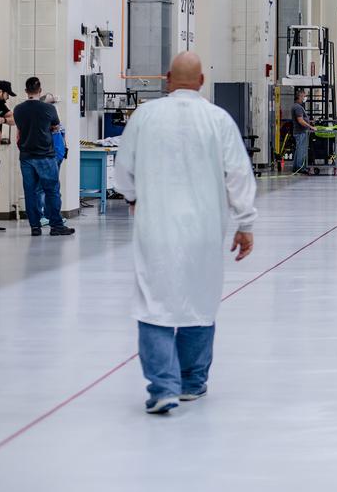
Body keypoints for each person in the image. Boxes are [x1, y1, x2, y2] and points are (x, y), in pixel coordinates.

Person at [114, 52, 257, 415]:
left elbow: (123, 167)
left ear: (167, 78)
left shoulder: (145, 116)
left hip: (155, 226)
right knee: (200, 301)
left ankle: (163, 387)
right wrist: (245, 224)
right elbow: (238, 174)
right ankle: (192, 382)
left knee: (154, 302)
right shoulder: (218, 119)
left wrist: (133, 198)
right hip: (204, 229)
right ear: (201, 82)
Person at [12, 77, 72, 237]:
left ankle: (35, 227)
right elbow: (55, 127)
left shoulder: (18, 109)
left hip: (26, 157)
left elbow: (20, 129)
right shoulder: (49, 108)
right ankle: (56, 226)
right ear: (40, 90)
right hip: (45, 155)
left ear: (26, 91)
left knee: (30, 192)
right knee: (52, 191)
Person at [0, 80, 14, 232]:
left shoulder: (0, 105)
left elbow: (14, 120)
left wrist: (3, 120)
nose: (8, 97)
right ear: (0, 91)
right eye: (7, 94)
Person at [291, 89, 316, 175]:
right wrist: (311, 127)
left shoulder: (297, 106)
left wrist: (309, 121)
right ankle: (300, 168)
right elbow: (300, 121)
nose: (305, 98)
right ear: (300, 96)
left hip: (299, 132)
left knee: (299, 150)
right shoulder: (297, 107)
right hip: (301, 132)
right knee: (301, 151)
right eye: (304, 96)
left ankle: (295, 168)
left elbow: (302, 119)